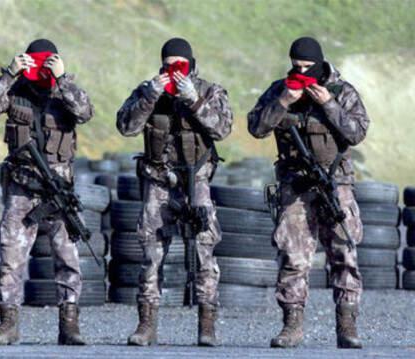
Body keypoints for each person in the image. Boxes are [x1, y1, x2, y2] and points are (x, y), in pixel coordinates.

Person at [247, 36, 369, 349]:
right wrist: (284, 102)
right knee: (293, 256)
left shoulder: (342, 92)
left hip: (335, 185)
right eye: (295, 66)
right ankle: (291, 326)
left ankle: (347, 325)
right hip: (295, 185)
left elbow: (357, 132)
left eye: (307, 67)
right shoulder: (280, 90)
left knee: (344, 253)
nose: (301, 72)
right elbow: (256, 127)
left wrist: (328, 103)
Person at [0, 39, 94, 346]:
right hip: (22, 186)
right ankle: (8, 323)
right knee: (11, 257)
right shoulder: (15, 92)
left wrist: (63, 78)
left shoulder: (66, 92)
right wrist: (9, 74)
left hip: (58, 189)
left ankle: (69, 325)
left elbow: (85, 112)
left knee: (67, 257)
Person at [117, 38, 233, 346]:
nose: (173, 71)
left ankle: (207, 325)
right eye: (168, 65)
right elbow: (126, 126)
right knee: (150, 253)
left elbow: (222, 129)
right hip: (158, 181)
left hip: (196, 181)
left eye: (179, 65)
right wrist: (149, 95)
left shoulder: (210, 91)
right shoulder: (149, 90)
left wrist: (194, 100)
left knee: (204, 252)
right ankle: (146, 324)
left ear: (192, 65)